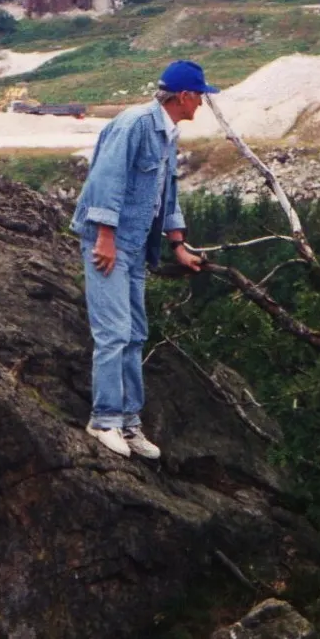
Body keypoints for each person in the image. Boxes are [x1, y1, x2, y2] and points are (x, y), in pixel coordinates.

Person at [70, 60, 216, 459]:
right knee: (114, 331)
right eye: (200, 96)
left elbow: (166, 194)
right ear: (184, 97)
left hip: (135, 244)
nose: (202, 103)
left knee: (135, 332)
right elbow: (106, 178)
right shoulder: (135, 124)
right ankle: (103, 421)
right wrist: (103, 236)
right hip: (110, 243)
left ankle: (130, 423)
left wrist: (178, 245)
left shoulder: (168, 134)